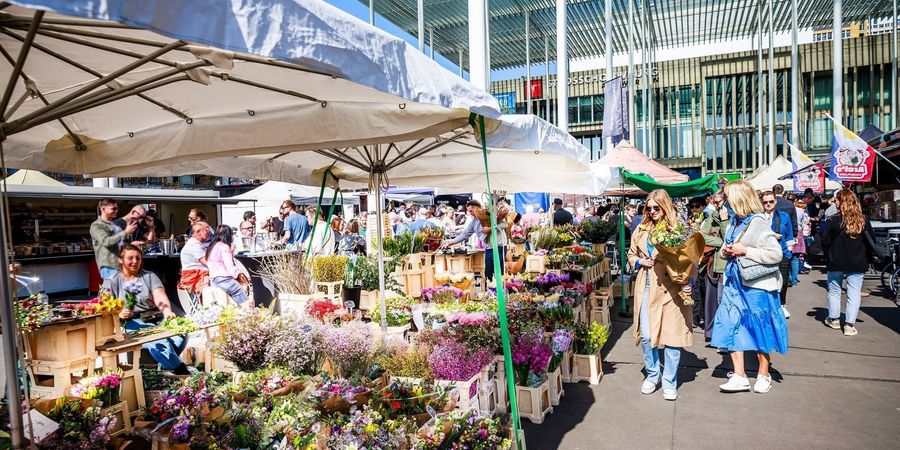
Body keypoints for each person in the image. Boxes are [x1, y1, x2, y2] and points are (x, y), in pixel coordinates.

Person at [712, 180, 788, 394]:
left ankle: (764, 373)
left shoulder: (758, 222)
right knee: (730, 323)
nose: (724, 201)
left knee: (760, 326)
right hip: (734, 282)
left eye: (727, 197)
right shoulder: (735, 222)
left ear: (738, 198)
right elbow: (727, 247)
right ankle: (740, 375)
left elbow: (776, 254)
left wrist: (745, 250)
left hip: (756, 286)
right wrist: (725, 252)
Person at [628, 189, 694, 401]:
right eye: (649, 208)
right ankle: (652, 373)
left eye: (656, 207)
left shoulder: (678, 229)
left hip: (671, 289)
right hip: (646, 286)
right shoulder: (641, 228)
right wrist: (639, 261)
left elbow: (690, 261)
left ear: (665, 206)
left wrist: (688, 281)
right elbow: (630, 254)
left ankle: (669, 381)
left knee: (672, 338)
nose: (652, 211)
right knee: (647, 336)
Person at [104, 245, 190, 374]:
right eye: (130, 258)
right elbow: (104, 306)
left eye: (137, 258)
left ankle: (165, 363)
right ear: (121, 260)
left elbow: (159, 295)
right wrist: (119, 313)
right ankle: (180, 370)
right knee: (158, 339)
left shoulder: (149, 276)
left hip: (155, 317)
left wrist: (167, 311)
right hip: (131, 322)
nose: (134, 261)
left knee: (182, 333)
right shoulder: (112, 280)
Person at [821, 189, 874, 336]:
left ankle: (834, 319)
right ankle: (850, 325)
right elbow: (871, 241)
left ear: (842, 202)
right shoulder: (863, 219)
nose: (834, 202)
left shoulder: (832, 220)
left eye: (836, 200)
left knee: (834, 291)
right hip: (857, 260)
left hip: (836, 260)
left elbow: (824, 241)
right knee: (854, 293)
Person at [442, 200, 508, 281]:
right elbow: (464, 234)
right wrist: (450, 242)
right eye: (469, 211)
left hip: (500, 247)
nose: (470, 213)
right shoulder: (473, 223)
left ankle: (500, 291)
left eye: (471, 211)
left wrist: (490, 229)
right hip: (488, 249)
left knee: (499, 272)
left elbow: (505, 224)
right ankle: (490, 291)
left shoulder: (491, 215)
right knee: (488, 274)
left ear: (477, 208)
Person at [700, 190, 729, 340]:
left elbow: (730, 239)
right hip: (711, 264)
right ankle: (711, 333)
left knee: (722, 302)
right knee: (710, 302)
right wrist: (720, 243)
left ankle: (723, 336)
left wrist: (724, 221)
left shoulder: (730, 216)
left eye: (718, 202)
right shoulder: (712, 216)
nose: (716, 205)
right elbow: (702, 236)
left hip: (724, 265)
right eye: (714, 202)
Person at [761, 191, 794, 319]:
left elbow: (790, 234)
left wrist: (789, 252)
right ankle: (768, 306)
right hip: (764, 253)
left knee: (783, 280)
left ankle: (781, 304)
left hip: (782, 252)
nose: (768, 204)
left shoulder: (784, 216)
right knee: (766, 281)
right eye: (765, 202)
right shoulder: (758, 217)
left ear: (775, 201)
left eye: (770, 201)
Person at [91, 199, 137, 280]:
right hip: (110, 266)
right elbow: (106, 241)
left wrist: (132, 244)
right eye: (113, 209)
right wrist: (126, 232)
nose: (116, 211)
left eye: (117, 209)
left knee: (124, 291)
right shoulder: (97, 225)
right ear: (103, 209)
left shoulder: (115, 225)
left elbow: (120, 243)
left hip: (121, 265)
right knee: (112, 291)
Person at [206, 224, 251, 305]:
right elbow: (230, 267)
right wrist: (239, 273)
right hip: (224, 279)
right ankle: (248, 312)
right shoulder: (224, 247)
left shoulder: (212, 246)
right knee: (244, 300)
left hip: (214, 280)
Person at [177, 221, 210, 301]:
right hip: (194, 277)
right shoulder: (194, 245)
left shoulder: (197, 243)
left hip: (200, 275)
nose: (209, 232)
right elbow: (208, 262)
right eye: (206, 230)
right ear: (198, 232)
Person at [790, 199, 810, 284]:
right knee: (795, 258)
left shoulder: (789, 210)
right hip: (799, 232)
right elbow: (802, 223)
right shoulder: (801, 211)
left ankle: (789, 278)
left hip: (790, 233)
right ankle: (794, 280)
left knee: (788, 258)